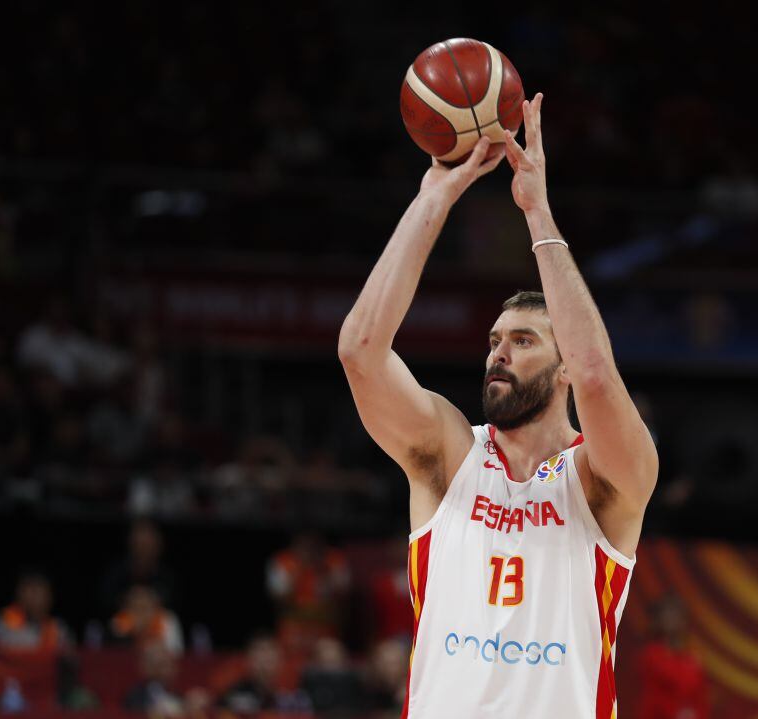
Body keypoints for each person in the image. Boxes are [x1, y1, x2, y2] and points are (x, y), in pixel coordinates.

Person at [338, 94, 658, 718]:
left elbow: (596, 374)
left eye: (523, 340)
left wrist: (537, 212)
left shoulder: (604, 482)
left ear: (562, 366)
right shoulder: (449, 454)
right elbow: (360, 351)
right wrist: (435, 195)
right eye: (493, 341)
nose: (498, 354)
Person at [638, 596, 709, 719]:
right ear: (659, 620)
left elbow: (699, 700)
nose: (673, 619)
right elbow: (677, 681)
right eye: (668, 614)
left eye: (676, 614)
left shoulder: (691, 657)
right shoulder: (652, 654)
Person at [218, 633, 309, 714]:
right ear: (248, 660)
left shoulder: (294, 696)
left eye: (270, 652)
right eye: (260, 651)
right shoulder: (235, 695)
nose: (265, 658)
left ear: (280, 660)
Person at [0, 571, 72, 652]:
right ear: (17, 593)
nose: (34, 597)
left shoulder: (59, 629)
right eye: (29, 589)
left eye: (39, 590)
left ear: (50, 596)